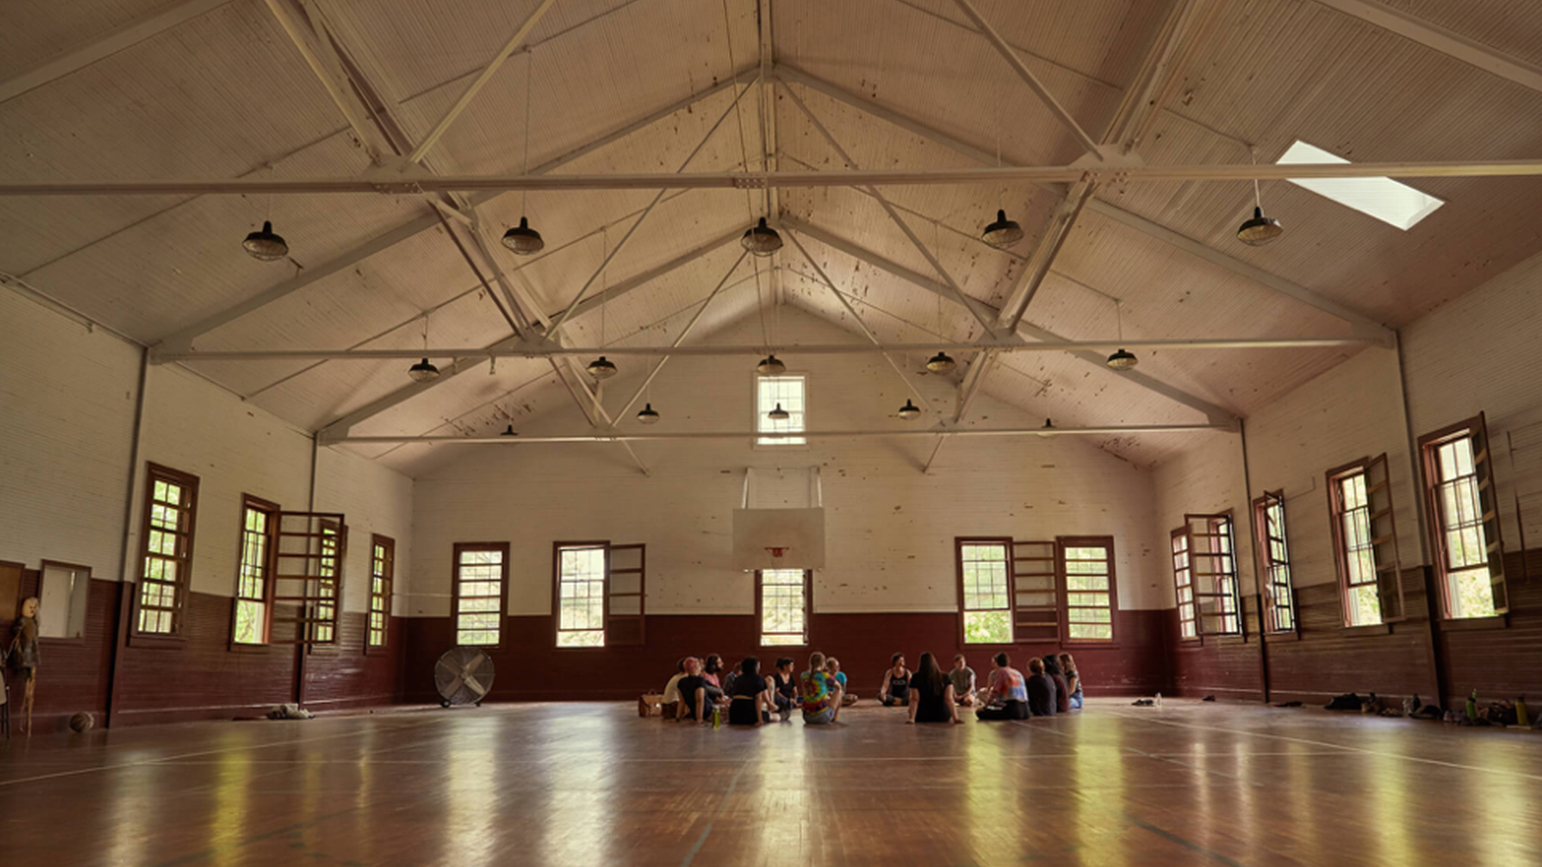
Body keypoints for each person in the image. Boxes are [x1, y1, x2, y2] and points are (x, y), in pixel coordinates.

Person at [907, 652, 961, 724]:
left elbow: (914, 699)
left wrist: (911, 718)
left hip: (922, 715)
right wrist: (956, 718)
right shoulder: (945, 677)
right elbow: (948, 698)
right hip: (942, 715)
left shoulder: (916, 677)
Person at [975, 652, 1029, 721]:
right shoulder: (1017, 672)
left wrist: (985, 707)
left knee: (980, 713)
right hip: (1025, 710)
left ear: (996, 663)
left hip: (1013, 709)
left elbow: (995, 692)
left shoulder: (1001, 671)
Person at [800, 651, 844, 725]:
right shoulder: (825, 675)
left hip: (806, 717)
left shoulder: (803, 675)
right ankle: (834, 716)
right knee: (839, 691)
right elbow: (839, 686)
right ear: (823, 663)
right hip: (822, 717)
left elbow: (806, 692)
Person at [728, 656, 769, 726]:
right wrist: (760, 720)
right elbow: (758, 698)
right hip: (749, 711)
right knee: (774, 716)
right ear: (755, 667)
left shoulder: (738, 679)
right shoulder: (758, 678)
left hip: (734, 714)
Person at [676, 657, 714, 724]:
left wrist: (678, 717)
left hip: (693, 712)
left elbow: (681, 701)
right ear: (696, 667)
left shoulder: (681, 682)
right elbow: (699, 700)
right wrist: (699, 719)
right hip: (706, 711)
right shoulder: (699, 681)